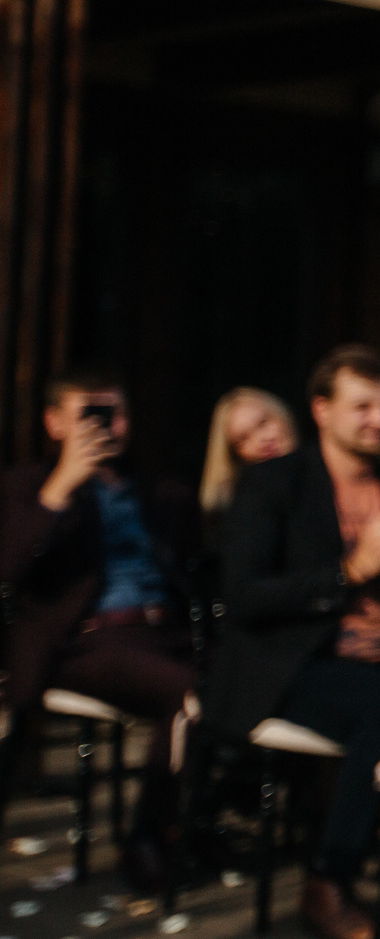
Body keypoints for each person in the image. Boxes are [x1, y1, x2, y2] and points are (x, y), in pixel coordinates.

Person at [207, 346, 380, 939]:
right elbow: (245, 597)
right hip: (292, 662)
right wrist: (352, 569)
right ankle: (327, 879)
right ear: (321, 410)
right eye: (362, 405)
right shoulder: (273, 483)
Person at [0, 371, 203, 891]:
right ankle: (148, 841)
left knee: (244, 683)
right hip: (86, 642)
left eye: (115, 413)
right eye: (90, 414)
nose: (107, 426)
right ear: (54, 422)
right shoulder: (26, 487)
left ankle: (191, 829)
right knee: (192, 696)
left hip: (167, 634)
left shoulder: (161, 490)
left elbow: (198, 570)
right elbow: (10, 569)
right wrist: (61, 487)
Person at [200, 387, 296, 543]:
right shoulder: (243, 514)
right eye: (243, 438)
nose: (262, 440)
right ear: (234, 456)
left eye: (263, 423)